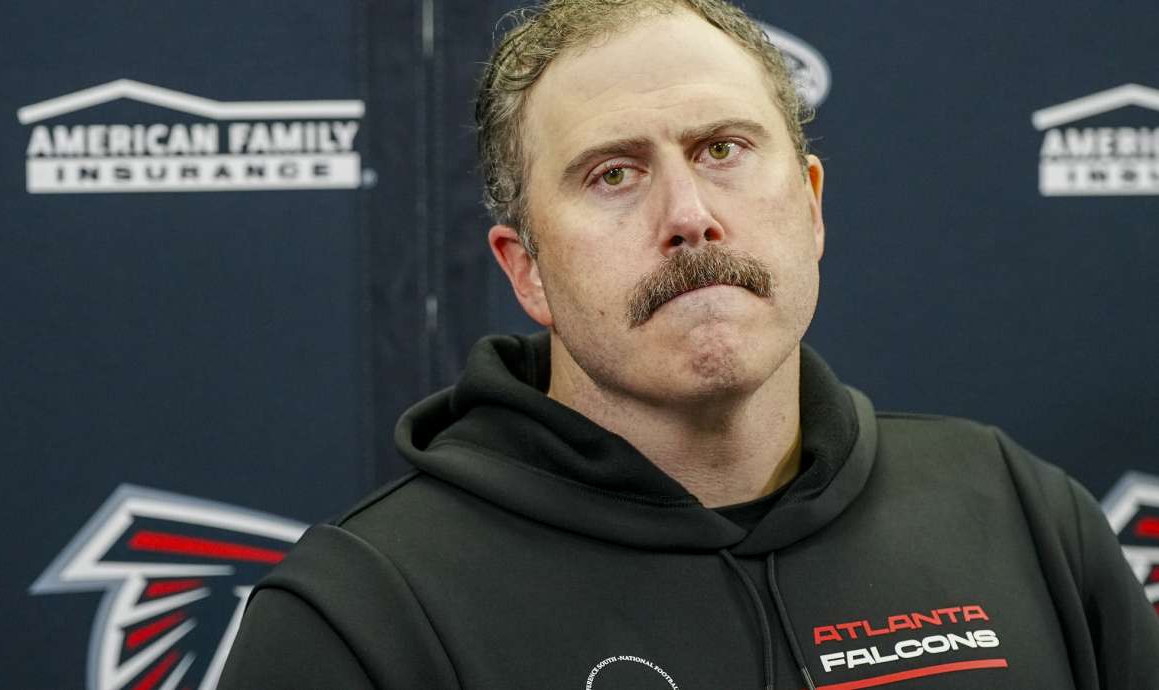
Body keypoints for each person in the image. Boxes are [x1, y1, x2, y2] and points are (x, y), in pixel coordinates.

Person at [218, 0, 1159, 687]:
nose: (690, 217)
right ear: (527, 270)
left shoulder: (1024, 519)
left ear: (814, 205)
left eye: (722, 149)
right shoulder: (361, 618)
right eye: (614, 172)